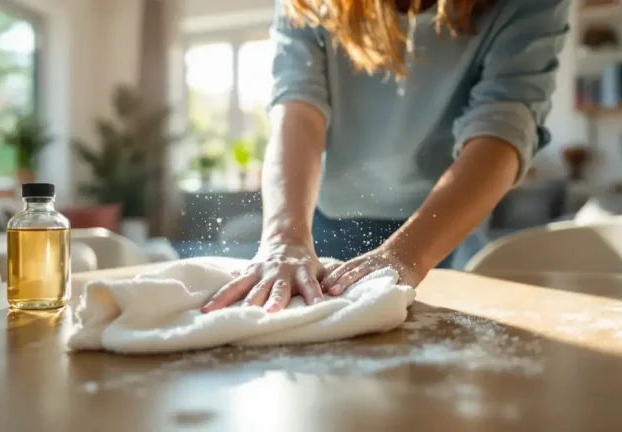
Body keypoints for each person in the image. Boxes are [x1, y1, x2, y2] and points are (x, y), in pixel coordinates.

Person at [202, 0, 569, 313]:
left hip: (445, 223)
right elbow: (297, 108)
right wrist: (285, 237)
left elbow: (503, 128)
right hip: (325, 219)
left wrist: (407, 254)